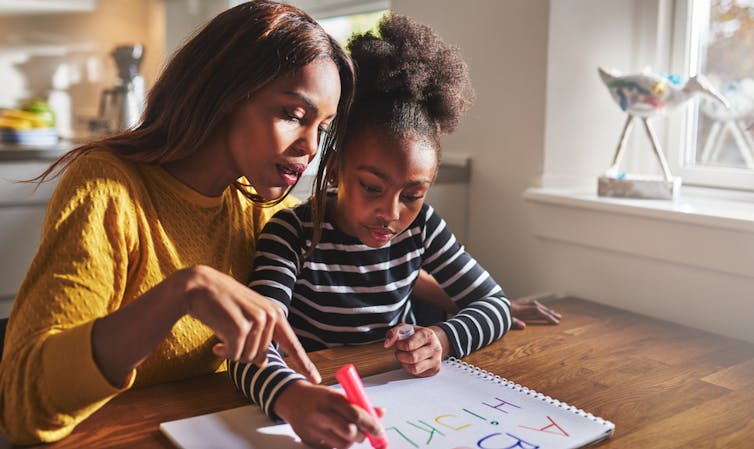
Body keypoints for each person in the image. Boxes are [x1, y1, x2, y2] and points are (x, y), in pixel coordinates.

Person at [0, 1, 355, 444]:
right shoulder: (109, 186)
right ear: (226, 94)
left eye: (322, 128)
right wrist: (181, 293)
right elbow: (22, 407)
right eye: (293, 115)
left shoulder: (262, 213)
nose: (309, 147)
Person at [228, 13, 513, 449]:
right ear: (337, 166)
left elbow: (496, 306)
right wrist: (291, 395)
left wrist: (441, 338)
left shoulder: (422, 229)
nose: (391, 213)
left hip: (403, 405)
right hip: (317, 402)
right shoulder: (292, 233)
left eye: (413, 194)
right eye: (372, 187)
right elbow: (252, 344)